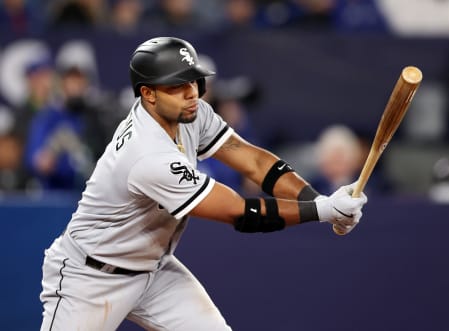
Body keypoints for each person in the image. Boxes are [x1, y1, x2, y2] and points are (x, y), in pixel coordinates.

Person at [39, 37, 368, 331]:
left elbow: (254, 162)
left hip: (153, 270)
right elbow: (241, 213)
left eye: (193, 81)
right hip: (90, 277)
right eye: (175, 85)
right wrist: (325, 210)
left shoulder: (190, 111)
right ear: (148, 94)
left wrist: (319, 198)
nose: (190, 92)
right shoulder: (146, 153)